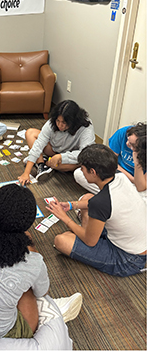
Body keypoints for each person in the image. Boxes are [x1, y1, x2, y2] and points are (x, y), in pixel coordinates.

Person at [0, 183, 82, 339]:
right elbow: (42, 291)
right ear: (28, 221)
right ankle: (53, 313)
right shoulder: (34, 262)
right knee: (28, 289)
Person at [46, 144, 147, 277]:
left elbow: (90, 241)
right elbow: (101, 203)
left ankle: (86, 234)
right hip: (135, 241)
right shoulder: (120, 177)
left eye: (82, 169)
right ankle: (87, 233)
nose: (81, 171)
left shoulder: (101, 202)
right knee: (87, 198)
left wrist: (64, 217)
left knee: (61, 240)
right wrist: (71, 205)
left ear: (93, 172)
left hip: (128, 259)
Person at [18, 100, 95, 185]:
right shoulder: (52, 122)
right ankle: (41, 164)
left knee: (62, 166)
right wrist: (26, 173)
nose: (60, 125)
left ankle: (47, 162)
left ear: (74, 121)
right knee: (30, 133)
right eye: (58, 121)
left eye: (64, 123)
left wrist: (62, 157)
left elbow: (86, 153)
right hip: (53, 149)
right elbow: (38, 145)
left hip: (69, 156)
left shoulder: (85, 126)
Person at [74, 122, 146, 194]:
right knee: (80, 174)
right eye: (128, 139)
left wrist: (137, 161)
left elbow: (141, 187)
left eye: (132, 145)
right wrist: (132, 179)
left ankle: (112, 196)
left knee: (143, 195)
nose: (127, 144)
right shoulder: (123, 132)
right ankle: (118, 198)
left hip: (139, 182)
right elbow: (109, 162)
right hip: (116, 172)